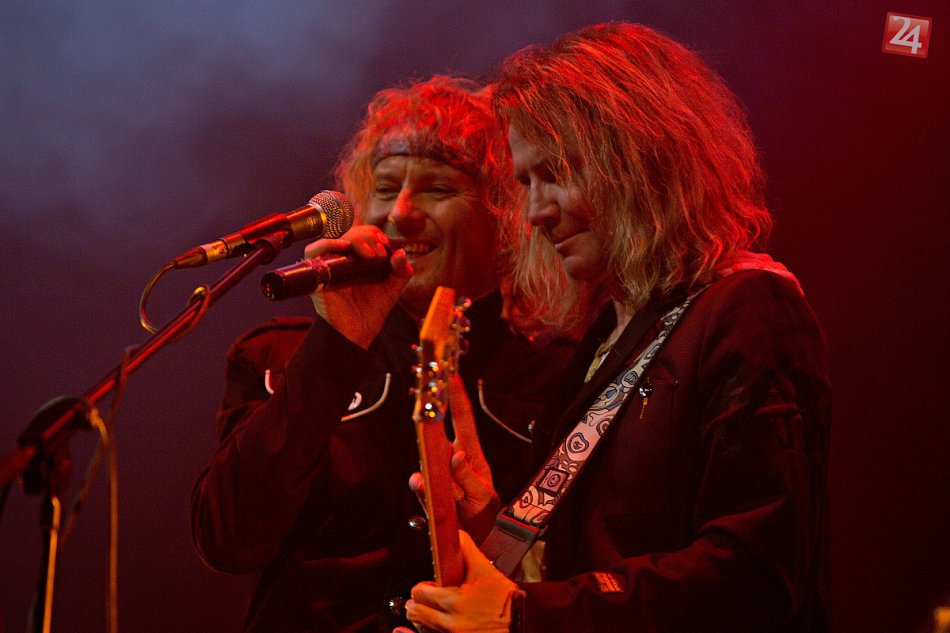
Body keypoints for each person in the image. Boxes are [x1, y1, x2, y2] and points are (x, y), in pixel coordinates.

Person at [404, 23, 831, 633]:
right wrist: (488, 523)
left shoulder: (750, 308)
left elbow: (753, 576)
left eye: (555, 172)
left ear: (638, 157)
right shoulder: (606, 334)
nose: (535, 212)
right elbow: (599, 561)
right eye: (525, 183)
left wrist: (523, 617)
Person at [190, 76, 575, 632]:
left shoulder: (560, 375)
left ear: (506, 214)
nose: (401, 214)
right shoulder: (274, 357)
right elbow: (228, 541)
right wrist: (334, 345)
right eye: (385, 188)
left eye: (438, 189)